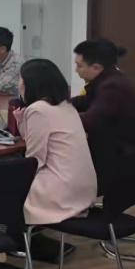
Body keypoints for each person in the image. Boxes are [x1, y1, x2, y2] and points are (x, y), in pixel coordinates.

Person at [13, 59, 97, 226]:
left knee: (0, 184)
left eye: (21, 80)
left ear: (31, 84)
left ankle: (8, 234)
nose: (19, 84)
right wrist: (22, 122)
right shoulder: (67, 106)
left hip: (58, 191)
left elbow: (34, 159)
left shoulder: (38, 109)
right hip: (82, 190)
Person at [71, 39, 135, 189]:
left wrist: (57, 116)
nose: (76, 70)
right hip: (119, 152)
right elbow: (86, 101)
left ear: (96, 67)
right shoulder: (110, 80)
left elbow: (90, 121)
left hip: (120, 161)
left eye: (79, 66)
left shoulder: (113, 87)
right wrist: (61, 103)